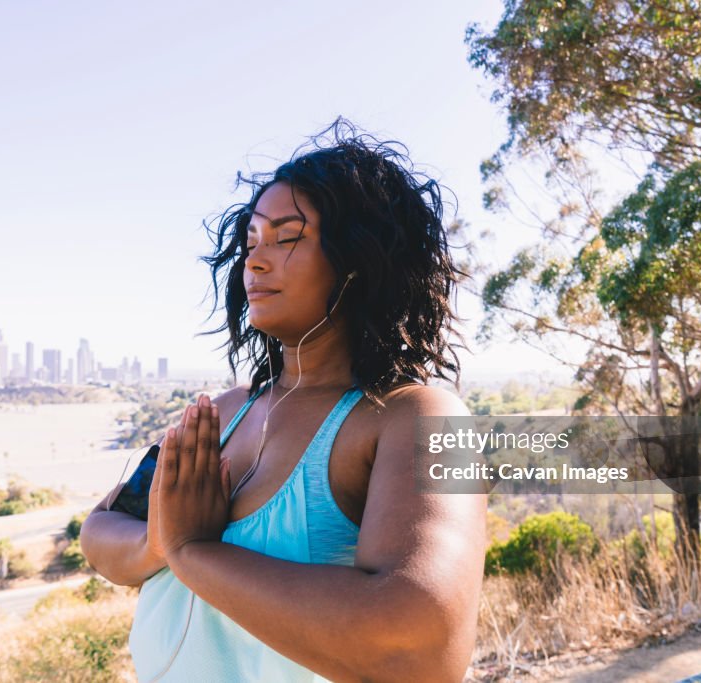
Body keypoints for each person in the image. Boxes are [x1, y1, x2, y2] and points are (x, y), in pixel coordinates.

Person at [80, 119, 487, 682]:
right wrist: (159, 543)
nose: (256, 260)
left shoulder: (420, 418)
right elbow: (99, 534)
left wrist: (193, 550)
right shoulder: (223, 413)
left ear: (358, 259)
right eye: (251, 242)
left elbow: (419, 646)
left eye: (287, 236)